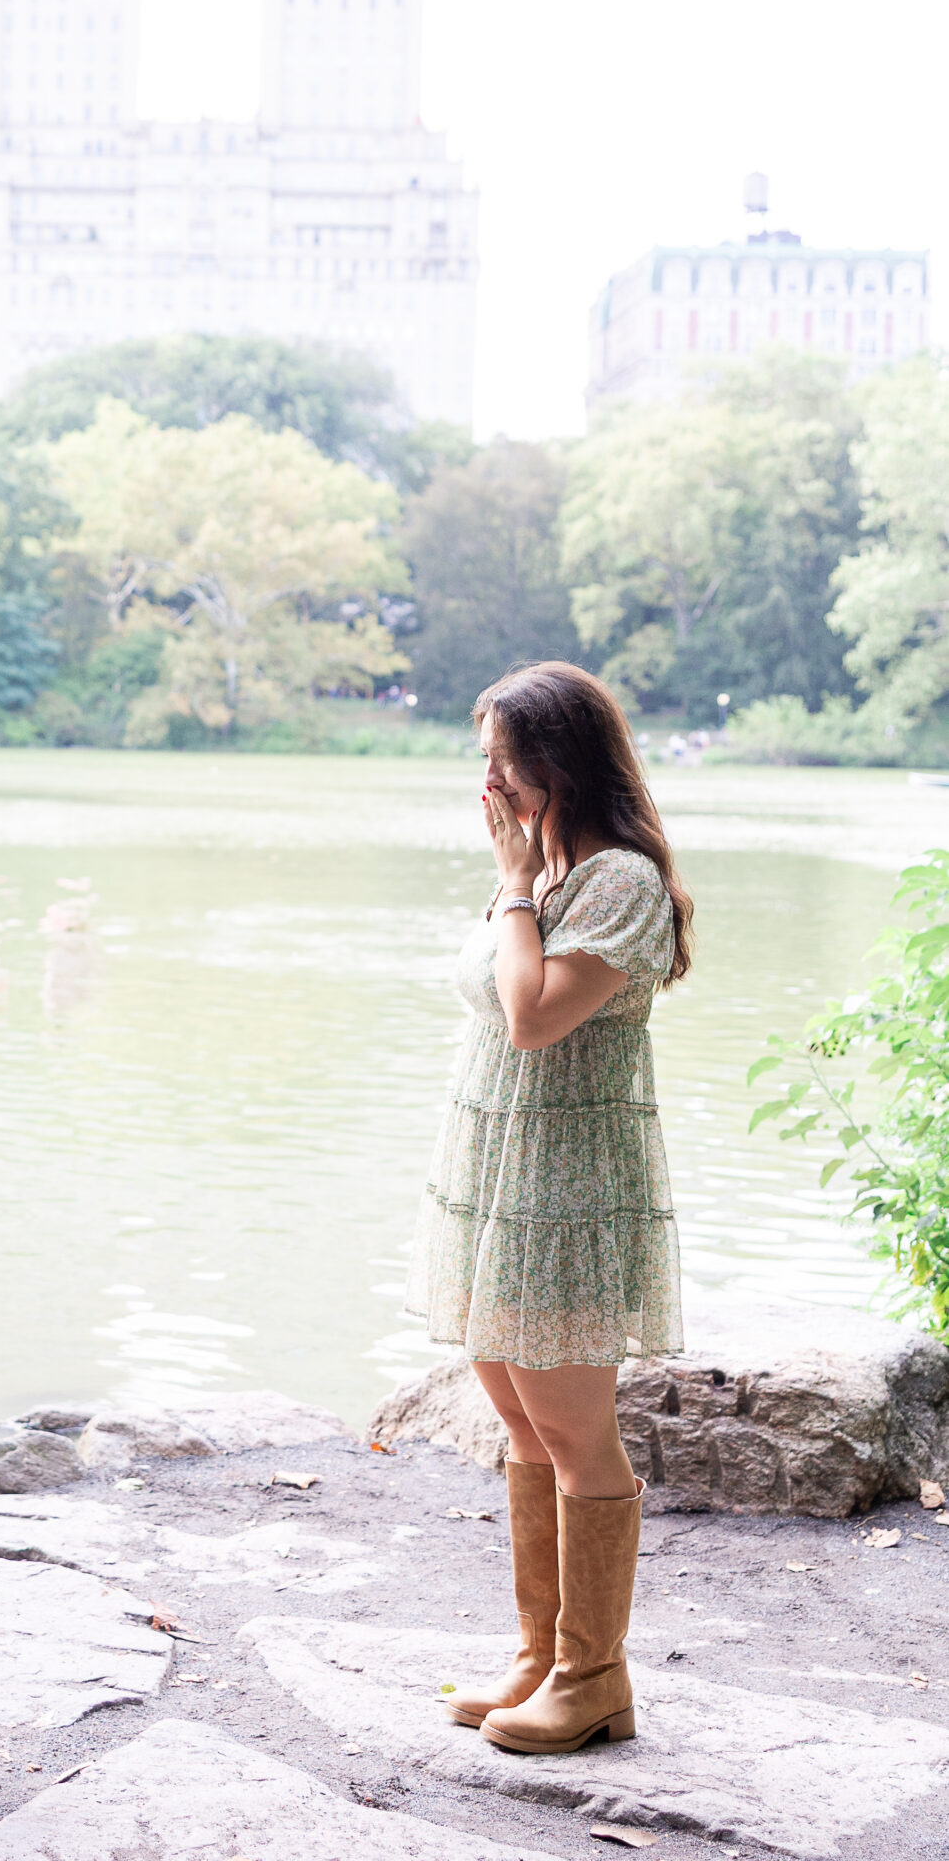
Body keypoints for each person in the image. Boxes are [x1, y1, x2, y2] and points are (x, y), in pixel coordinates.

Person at [403, 662, 693, 1757]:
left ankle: (594, 1677)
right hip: (498, 1176)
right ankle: (539, 1654)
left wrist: (515, 881)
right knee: (521, 1421)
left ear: (561, 760)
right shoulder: (545, 865)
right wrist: (522, 875)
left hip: (569, 1185)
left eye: (504, 760)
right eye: (482, 757)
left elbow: (531, 1018)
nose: (488, 781)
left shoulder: (618, 880)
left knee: (574, 1430)